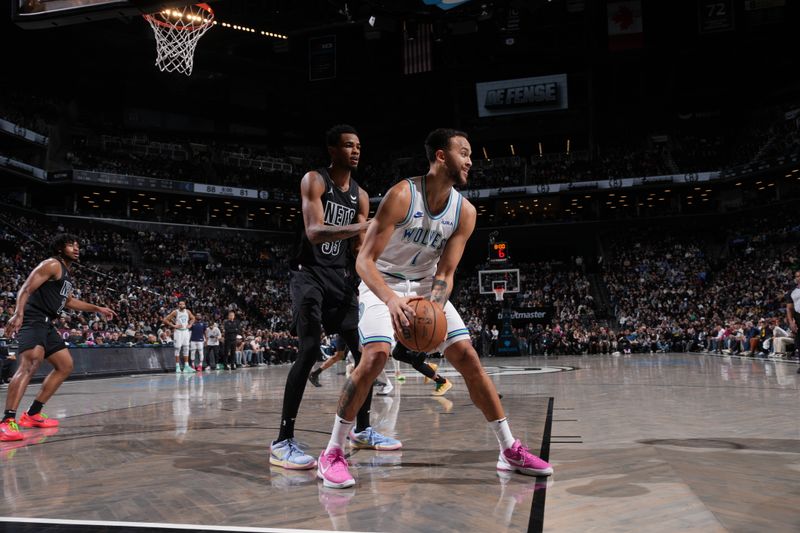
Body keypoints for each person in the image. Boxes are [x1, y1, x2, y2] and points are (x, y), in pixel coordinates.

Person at [318, 128, 553, 488]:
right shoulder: (401, 195)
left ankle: (509, 449)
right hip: (383, 282)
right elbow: (364, 261)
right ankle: (332, 452)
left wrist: (433, 309)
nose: (471, 160)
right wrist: (393, 300)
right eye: (464, 152)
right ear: (441, 156)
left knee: (468, 358)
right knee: (376, 355)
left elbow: (445, 272)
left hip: (427, 286)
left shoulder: (465, 212)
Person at [271, 124, 401, 471]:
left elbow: (359, 249)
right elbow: (314, 232)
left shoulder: (360, 195)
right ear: (332, 150)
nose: (356, 151)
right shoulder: (314, 180)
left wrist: (381, 264)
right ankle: (283, 440)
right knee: (310, 347)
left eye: (358, 146)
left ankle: (363, 429)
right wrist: (365, 226)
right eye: (348, 145)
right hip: (307, 274)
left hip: (339, 279)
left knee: (367, 352)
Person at [1, 234, 116, 441]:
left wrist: (97, 308)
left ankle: (33, 414)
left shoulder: (66, 273)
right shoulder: (52, 264)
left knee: (65, 365)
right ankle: (7, 421)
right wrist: (18, 313)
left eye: (77, 244)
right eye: (71, 244)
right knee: (30, 364)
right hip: (34, 318)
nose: (76, 248)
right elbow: (26, 288)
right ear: (60, 248)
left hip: (47, 323)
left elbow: (69, 302)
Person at [163, 301, 195, 373]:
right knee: (178, 348)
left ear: (185, 305)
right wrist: (173, 325)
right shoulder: (175, 312)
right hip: (178, 332)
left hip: (186, 331)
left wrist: (190, 325)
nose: (182, 305)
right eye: (180, 304)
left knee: (186, 347)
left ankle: (186, 366)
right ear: (178, 305)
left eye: (183, 304)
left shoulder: (188, 311)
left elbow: (193, 318)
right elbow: (165, 320)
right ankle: (177, 367)